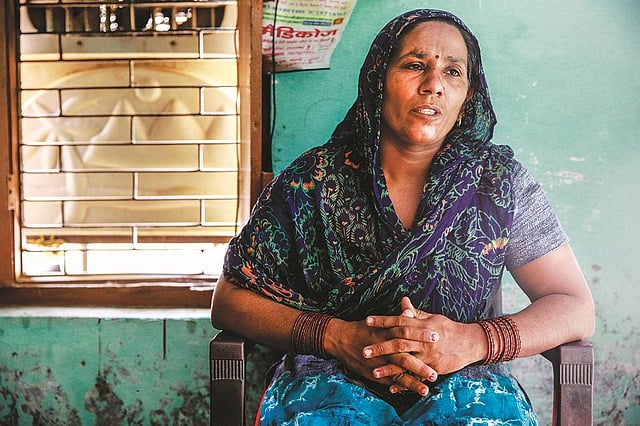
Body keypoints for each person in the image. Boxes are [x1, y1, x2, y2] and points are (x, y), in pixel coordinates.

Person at [211, 8, 594, 425]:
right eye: (414, 66)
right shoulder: (311, 183)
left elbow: (574, 306)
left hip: (468, 390)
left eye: (453, 72)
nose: (433, 85)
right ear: (379, 81)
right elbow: (229, 300)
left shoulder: (497, 185)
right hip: (326, 385)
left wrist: (472, 341)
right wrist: (336, 337)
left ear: (468, 98)